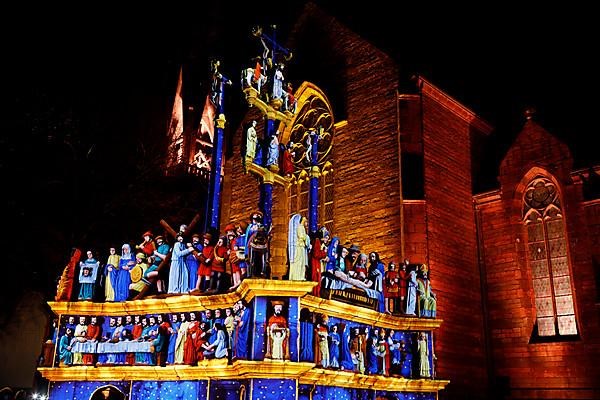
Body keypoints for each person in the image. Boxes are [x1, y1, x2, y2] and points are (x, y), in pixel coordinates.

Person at [288, 214, 310, 281]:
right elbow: (301, 236)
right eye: (305, 221)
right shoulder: (300, 227)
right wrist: (306, 237)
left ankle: (301, 276)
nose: (306, 223)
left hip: (302, 247)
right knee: (299, 262)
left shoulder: (302, 228)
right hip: (299, 247)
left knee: (302, 262)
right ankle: (297, 276)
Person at [310, 226, 330, 296]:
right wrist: (324, 253)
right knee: (316, 279)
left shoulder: (319, 242)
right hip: (315, 264)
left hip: (317, 263)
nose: (327, 240)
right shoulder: (317, 241)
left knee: (318, 280)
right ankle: (315, 295)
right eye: (326, 237)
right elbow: (316, 254)